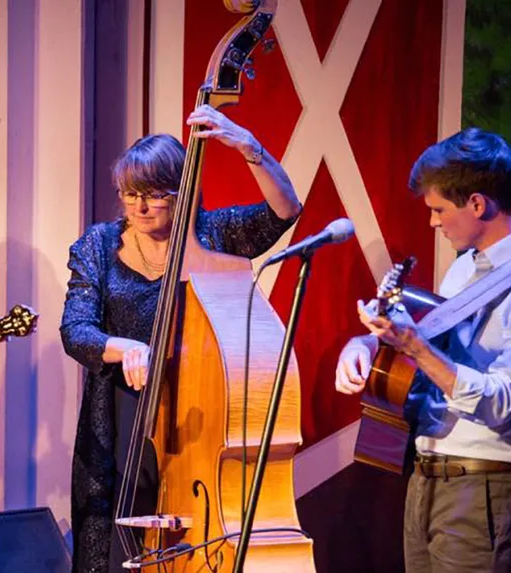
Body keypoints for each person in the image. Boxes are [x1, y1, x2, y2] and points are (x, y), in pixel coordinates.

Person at [59, 105, 302, 573]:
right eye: (129, 195)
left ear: (185, 192)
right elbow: (76, 330)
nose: (139, 207)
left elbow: (285, 211)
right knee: (109, 547)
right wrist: (127, 347)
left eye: (153, 195)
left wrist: (248, 146)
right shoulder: (98, 246)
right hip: (120, 413)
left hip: (196, 421)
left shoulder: (213, 235)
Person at [335, 128, 511, 572]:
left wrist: (414, 347)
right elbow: (426, 349)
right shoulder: (462, 271)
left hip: (484, 490)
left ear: (478, 204)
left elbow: (503, 401)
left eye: (439, 209)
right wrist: (367, 344)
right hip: (427, 478)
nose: (433, 222)